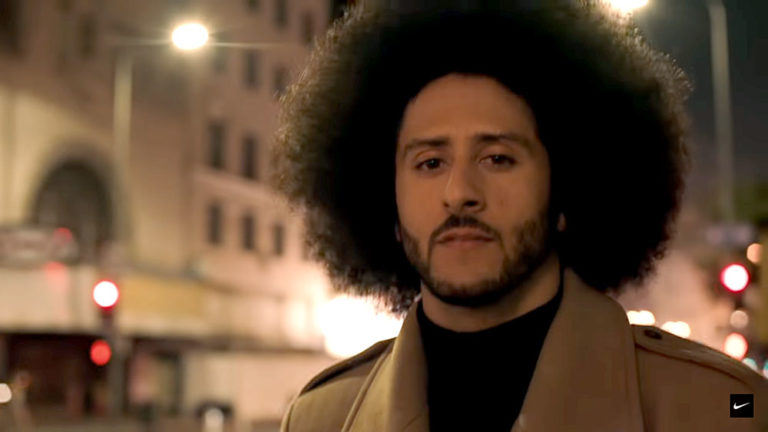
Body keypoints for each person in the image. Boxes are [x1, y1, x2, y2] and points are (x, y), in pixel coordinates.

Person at [270, 1, 768, 430]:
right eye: (430, 163)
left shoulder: (722, 407)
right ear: (387, 204)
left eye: (497, 158)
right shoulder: (320, 419)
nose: (459, 194)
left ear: (566, 192)